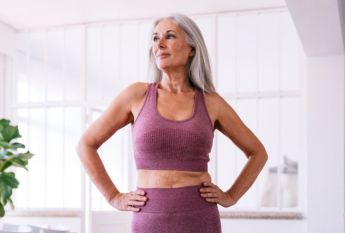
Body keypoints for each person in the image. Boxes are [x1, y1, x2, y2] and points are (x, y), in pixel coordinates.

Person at [77, 13, 268, 233]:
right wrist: (113, 196)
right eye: (155, 38)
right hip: (149, 219)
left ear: (192, 48)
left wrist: (231, 196)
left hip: (199, 217)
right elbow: (86, 144)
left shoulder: (211, 102)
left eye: (169, 36)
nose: (159, 44)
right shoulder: (136, 95)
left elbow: (258, 152)